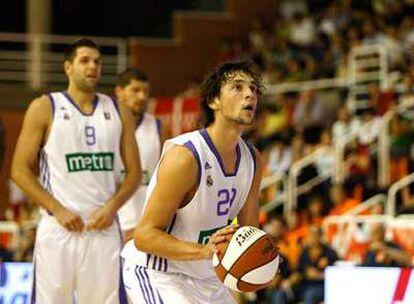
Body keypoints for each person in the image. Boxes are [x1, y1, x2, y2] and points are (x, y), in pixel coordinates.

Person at [122, 60, 264, 304]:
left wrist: (262, 257)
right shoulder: (186, 157)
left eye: (253, 88)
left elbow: (249, 233)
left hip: (207, 278)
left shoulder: (253, 159)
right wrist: (204, 251)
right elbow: (144, 236)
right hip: (158, 273)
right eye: (238, 87)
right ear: (214, 101)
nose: (250, 93)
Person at [11, 38, 141, 303]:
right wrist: (57, 208)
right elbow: (18, 169)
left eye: (97, 61)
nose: (92, 66)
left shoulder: (119, 111)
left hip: (102, 229)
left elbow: (135, 173)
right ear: (68, 67)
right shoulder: (44, 107)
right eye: (85, 60)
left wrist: (112, 207)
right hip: (58, 229)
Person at [115, 68, 163, 241]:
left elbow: (165, 179)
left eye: (145, 91)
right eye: (135, 90)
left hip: (144, 225)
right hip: (111, 223)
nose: (142, 97)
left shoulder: (157, 127)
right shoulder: (106, 125)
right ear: (119, 92)